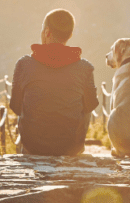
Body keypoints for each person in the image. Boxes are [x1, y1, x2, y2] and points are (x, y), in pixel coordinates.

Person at [9, 9, 99, 156]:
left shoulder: (24, 65)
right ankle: (77, 149)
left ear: (47, 32)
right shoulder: (85, 68)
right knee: (86, 103)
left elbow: (16, 107)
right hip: (70, 148)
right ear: (70, 35)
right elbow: (91, 105)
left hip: (33, 148)